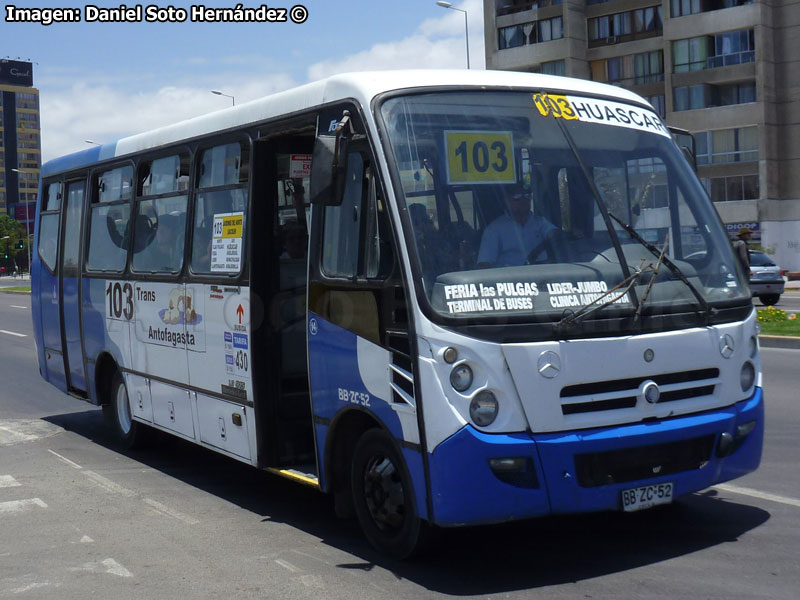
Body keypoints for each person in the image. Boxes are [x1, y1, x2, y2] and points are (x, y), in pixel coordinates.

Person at [477, 189, 557, 268]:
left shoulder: (540, 222)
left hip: (542, 277)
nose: (523, 200)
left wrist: (539, 250)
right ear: (507, 201)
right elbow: (484, 265)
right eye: (517, 197)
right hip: (509, 278)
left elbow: (556, 236)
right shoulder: (493, 229)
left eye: (527, 196)